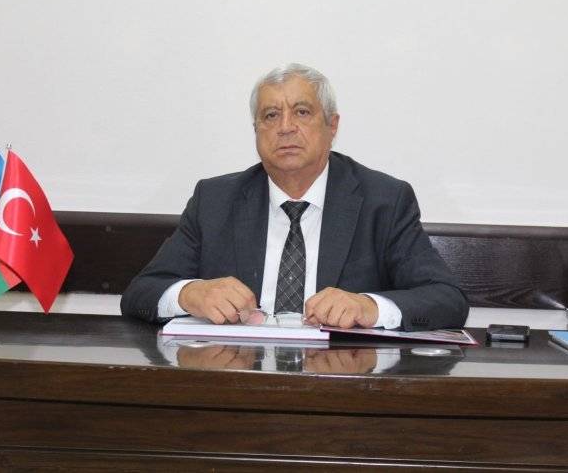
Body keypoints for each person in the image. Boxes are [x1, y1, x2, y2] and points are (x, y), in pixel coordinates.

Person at [121, 63, 468, 331]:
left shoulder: (384, 201)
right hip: (236, 379)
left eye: (301, 112)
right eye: (271, 115)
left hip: (341, 381)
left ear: (332, 125)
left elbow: (446, 299)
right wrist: (189, 294)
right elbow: (141, 292)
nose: (285, 127)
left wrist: (369, 307)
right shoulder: (215, 200)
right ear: (256, 130)